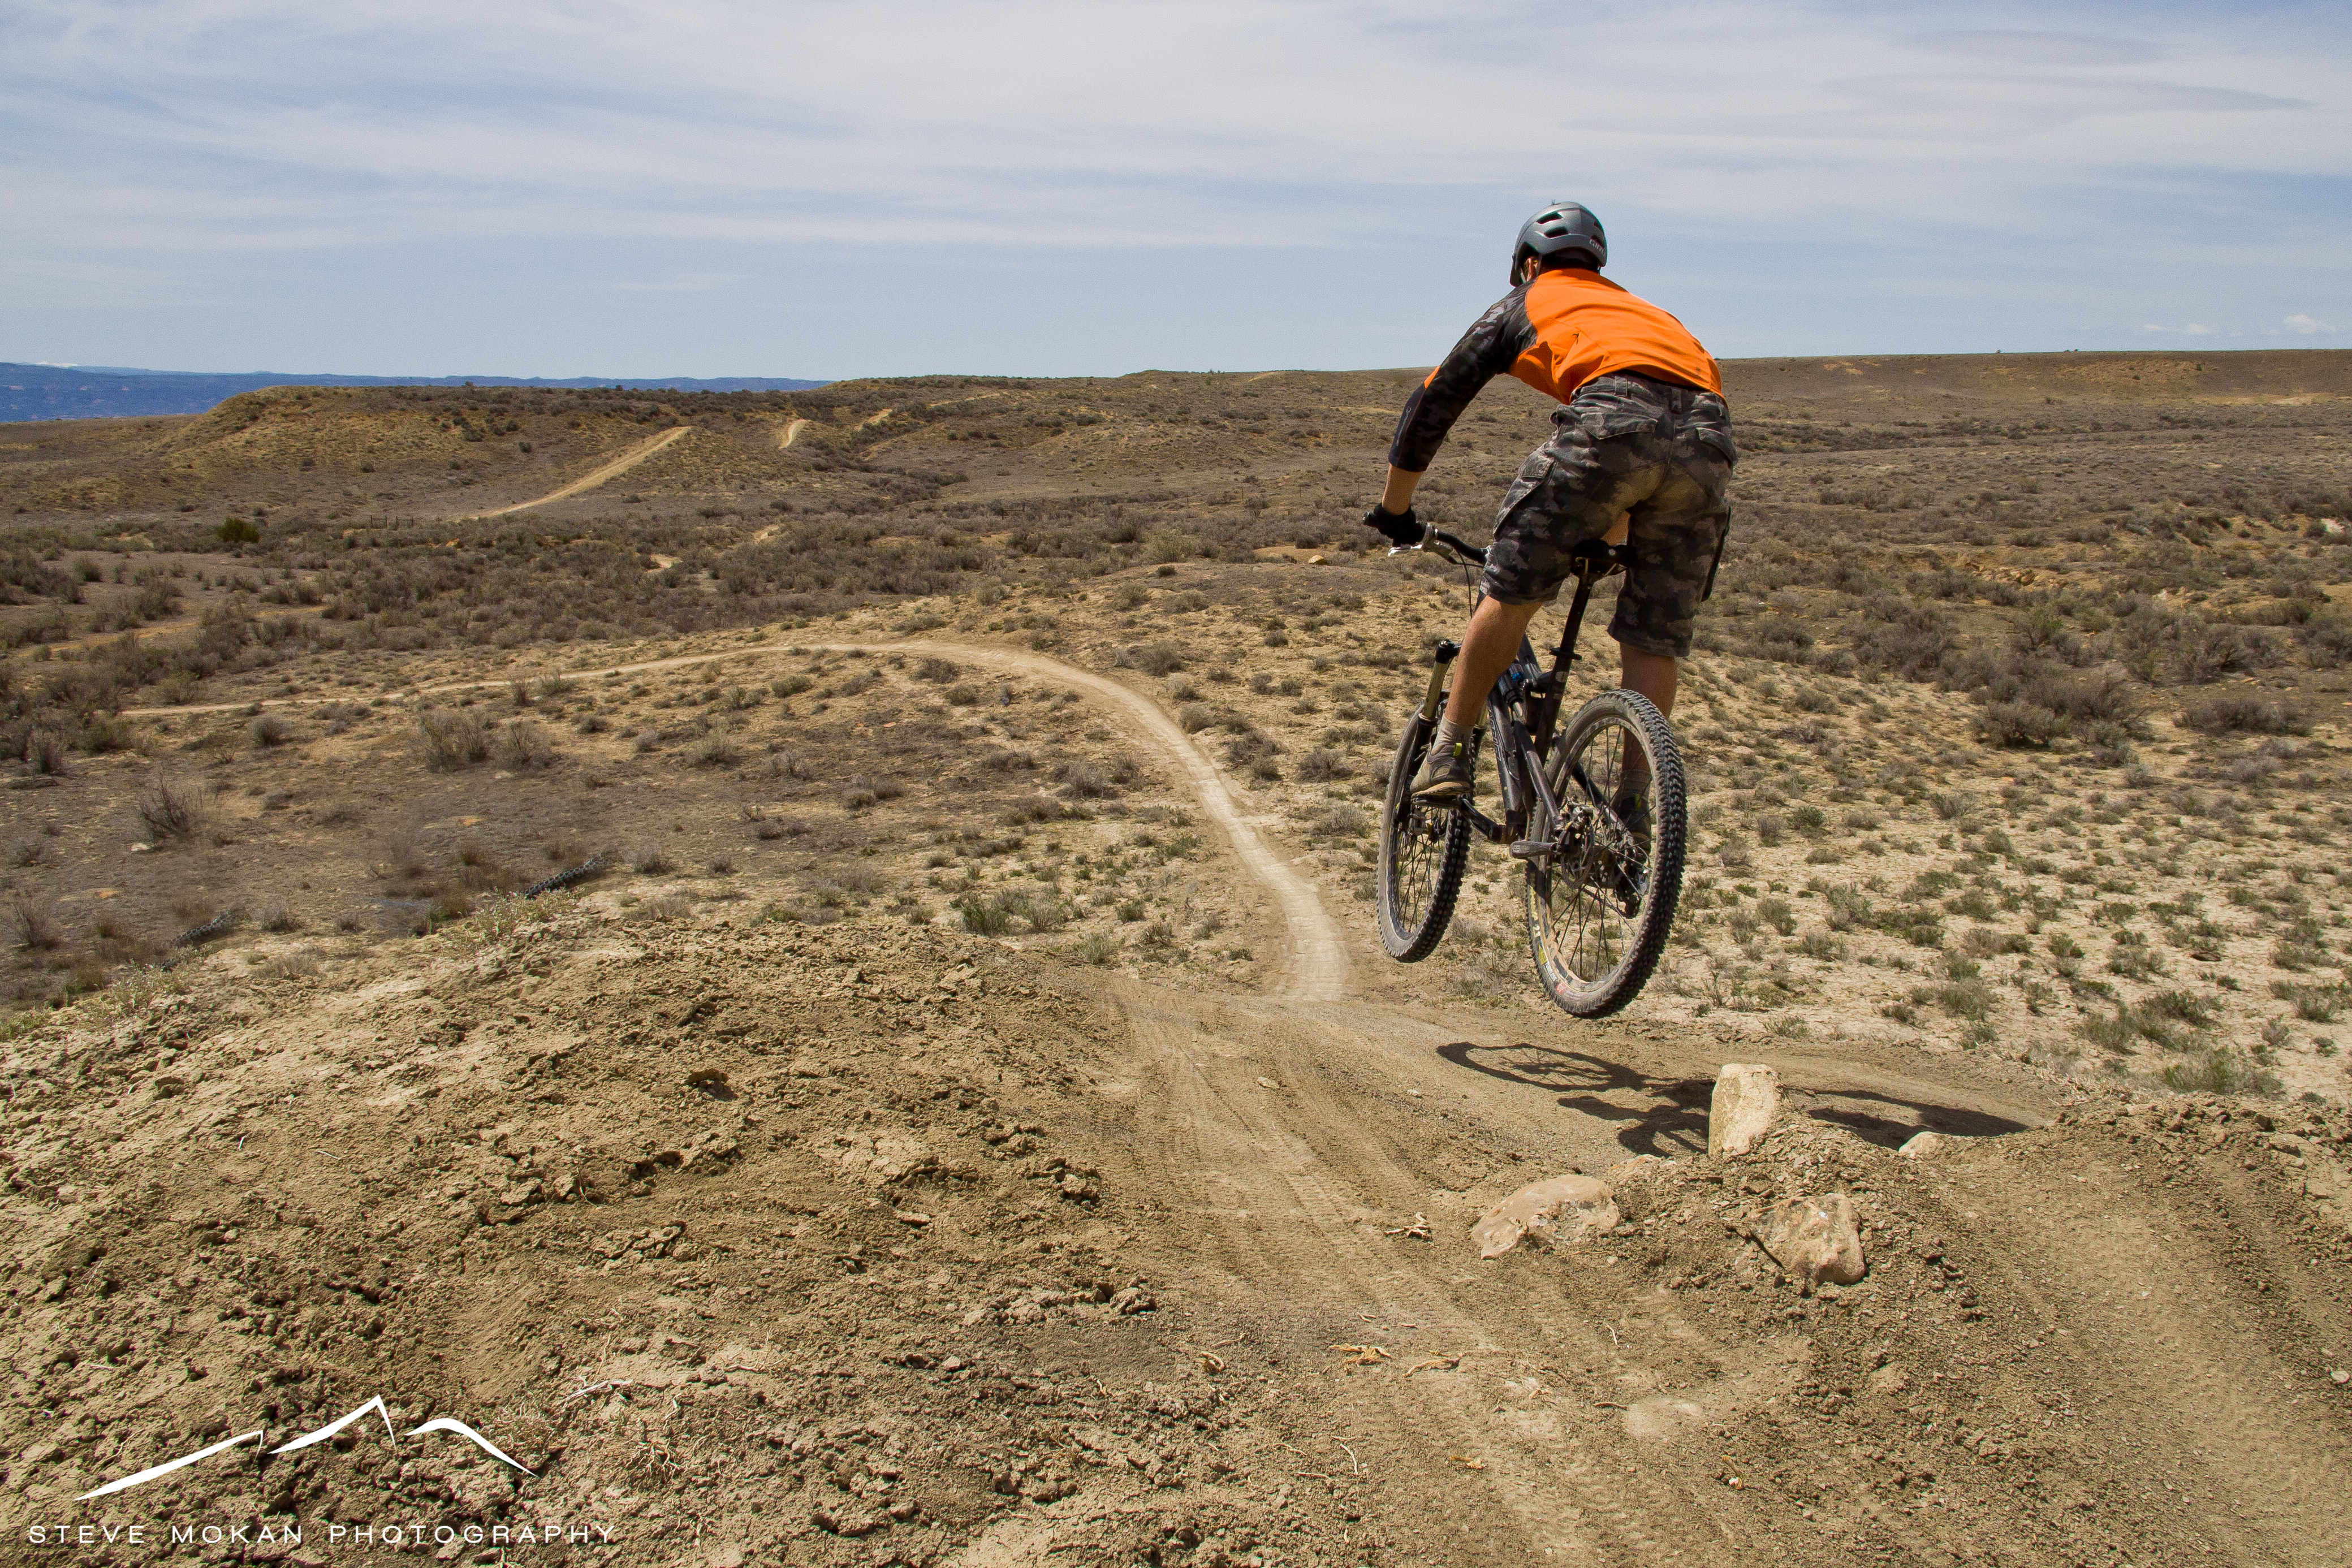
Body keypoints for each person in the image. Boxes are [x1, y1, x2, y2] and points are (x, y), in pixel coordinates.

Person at [1363, 200, 1737, 813]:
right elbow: (1664, 431)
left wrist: (1394, 509)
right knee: (1652, 644)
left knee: (1507, 594)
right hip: (1708, 442)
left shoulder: (1529, 300)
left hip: (1610, 425)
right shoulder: (1651, 314)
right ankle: (1637, 804)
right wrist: (1612, 528)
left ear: (1530, 264)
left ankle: (1448, 752)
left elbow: (1434, 401)